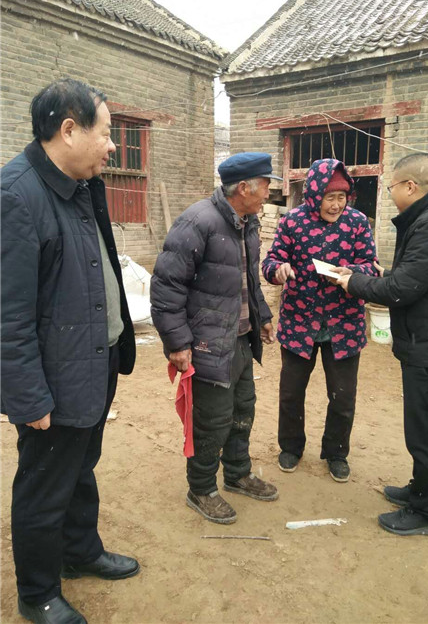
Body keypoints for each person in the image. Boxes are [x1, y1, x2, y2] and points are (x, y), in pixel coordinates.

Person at [1, 78, 138, 624]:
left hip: (93, 361)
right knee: (44, 486)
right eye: (105, 134)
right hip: (54, 379)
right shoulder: (17, 196)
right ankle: (37, 593)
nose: (112, 146)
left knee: (81, 467)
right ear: (68, 130)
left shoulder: (79, 185)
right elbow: (7, 315)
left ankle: (80, 552)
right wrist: (29, 398)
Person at [334, 153, 428, 536]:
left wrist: (352, 282)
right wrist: (382, 273)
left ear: (411, 186)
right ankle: (420, 490)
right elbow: (421, 277)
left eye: (392, 187)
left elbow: (401, 290)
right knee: (424, 427)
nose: (391, 194)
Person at [151, 152, 280, 525]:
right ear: (244, 188)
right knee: (212, 419)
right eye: (265, 186)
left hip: (240, 339)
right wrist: (177, 344)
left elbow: (248, 281)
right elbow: (166, 287)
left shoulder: (248, 223)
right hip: (207, 343)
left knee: (243, 410)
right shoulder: (197, 222)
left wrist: (262, 317)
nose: (268, 194)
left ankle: (238, 474)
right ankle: (202, 488)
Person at [262, 158, 377, 482]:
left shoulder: (357, 223)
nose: (336, 205)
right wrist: (278, 270)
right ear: (314, 195)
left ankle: (336, 452)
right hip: (300, 323)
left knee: (343, 396)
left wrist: (351, 273)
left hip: (345, 324)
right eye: (330, 197)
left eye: (341, 197)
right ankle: (291, 447)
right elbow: (272, 260)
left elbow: (371, 264)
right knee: (291, 393)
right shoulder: (292, 222)